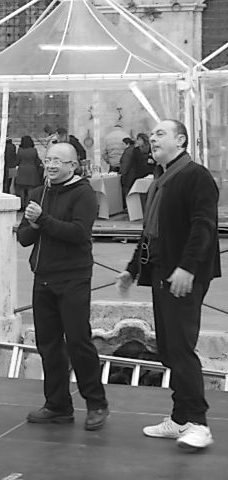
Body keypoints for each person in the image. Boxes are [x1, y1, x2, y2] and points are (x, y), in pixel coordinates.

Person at [116, 119, 220, 451]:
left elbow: (204, 225)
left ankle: (199, 424)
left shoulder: (195, 176)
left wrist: (188, 267)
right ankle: (180, 418)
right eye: (152, 134)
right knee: (169, 348)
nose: (153, 138)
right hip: (163, 273)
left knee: (181, 348)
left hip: (184, 276)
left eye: (161, 133)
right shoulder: (161, 179)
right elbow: (150, 232)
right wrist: (133, 269)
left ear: (181, 140)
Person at [16, 142, 109, 431]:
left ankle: (96, 403)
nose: (51, 165)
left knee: (78, 341)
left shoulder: (83, 193)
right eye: (48, 159)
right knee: (48, 344)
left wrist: (42, 220)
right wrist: (34, 224)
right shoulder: (39, 193)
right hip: (43, 277)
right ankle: (57, 405)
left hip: (73, 278)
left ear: (73, 165)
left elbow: (79, 233)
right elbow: (24, 238)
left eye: (58, 160)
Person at [13, 135, 43, 210]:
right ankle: (28, 204)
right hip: (32, 172)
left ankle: (21, 205)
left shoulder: (20, 150)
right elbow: (37, 161)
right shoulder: (34, 150)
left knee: (21, 190)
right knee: (30, 190)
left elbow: (17, 161)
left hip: (22, 171)